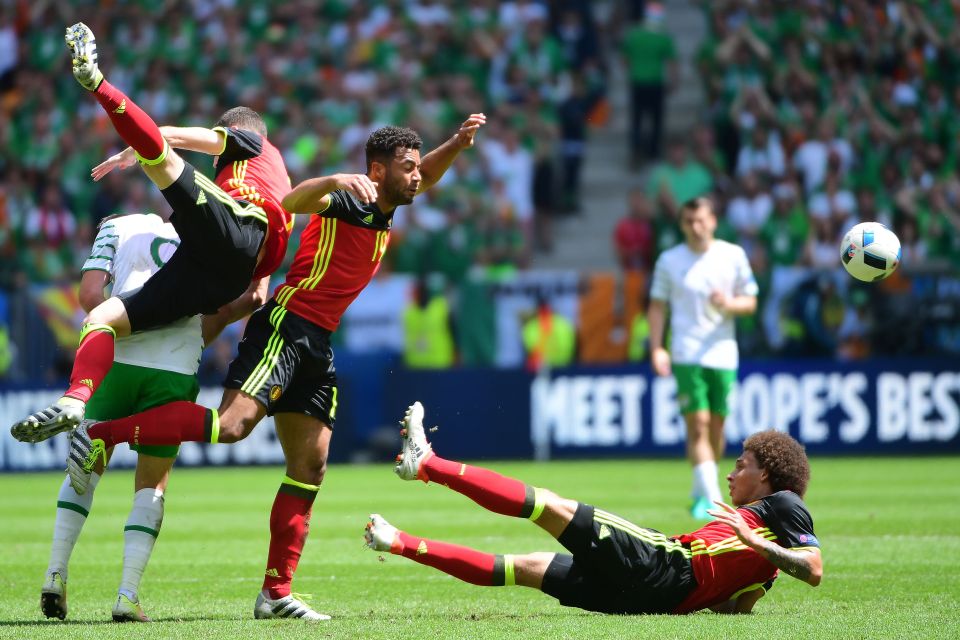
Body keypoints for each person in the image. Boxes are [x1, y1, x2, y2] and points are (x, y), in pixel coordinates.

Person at [60, 117, 486, 620]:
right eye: (408, 168)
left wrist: (456, 144)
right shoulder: (353, 197)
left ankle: (275, 594)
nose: (418, 176)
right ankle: (103, 434)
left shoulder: (392, 197)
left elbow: (428, 176)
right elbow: (293, 201)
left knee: (310, 466)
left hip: (317, 341)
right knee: (232, 426)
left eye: (418, 168)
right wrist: (331, 180)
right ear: (377, 170)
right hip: (287, 325)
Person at [11, 22, 293, 442]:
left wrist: (146, 144)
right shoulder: (280, 190)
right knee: (104, 318)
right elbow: (254, 296)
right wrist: (194, 337)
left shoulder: (254, 143)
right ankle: (73, 403)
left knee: (160, 158)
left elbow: (182, 139)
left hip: (233, 225)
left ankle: (98, 83)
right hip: (227, 270)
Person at [364, 402, 822, 614]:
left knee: (549, 505)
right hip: (650, 601)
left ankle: (428, 465)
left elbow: (814, 568)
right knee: (524, 568)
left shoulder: (782, 505)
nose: (730, 475)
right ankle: (397, 543)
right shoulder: (768, 569)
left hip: (664, 564)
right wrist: (751, 561)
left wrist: (751, 545)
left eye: (740, 466)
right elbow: (732, 611)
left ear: (766, 476)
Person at [39, 213, 266, 623]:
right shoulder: (212, 235)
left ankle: (55, 573)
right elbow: (244, 302)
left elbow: (91, 294)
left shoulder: (116, 224)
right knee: (152, 484)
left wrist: (134, 314)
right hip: (173, 368)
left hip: (117, 358)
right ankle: (127, 595)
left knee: (85, 466)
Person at [647, 197, 758, 519]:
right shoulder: (669, 260)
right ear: (682, 225)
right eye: (689, 222)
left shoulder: (732, 255)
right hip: (686, 350)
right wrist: (657, 347)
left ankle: (700, 489)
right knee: (698, 424)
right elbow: (657, 306)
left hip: (722, 351)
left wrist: (729, 304)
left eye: (701, 220)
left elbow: (750, 302)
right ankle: (711, 499)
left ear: (713, 221)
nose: (696, 227)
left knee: (716, 427)